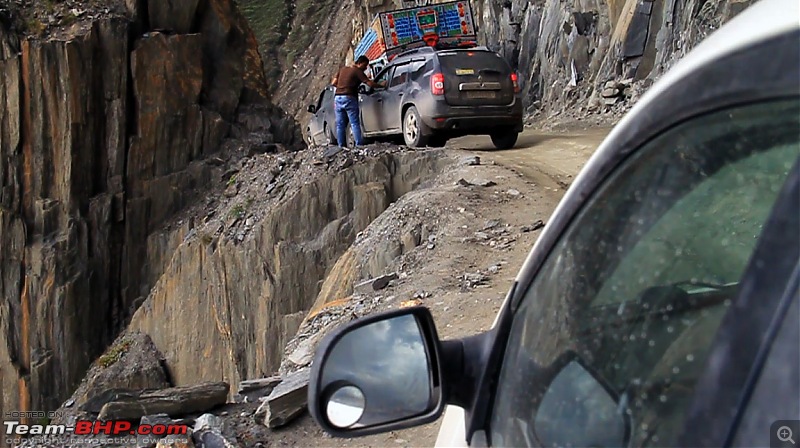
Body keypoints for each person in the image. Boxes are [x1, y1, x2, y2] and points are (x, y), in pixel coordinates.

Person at [331, 56, 384, 147]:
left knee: (340, 124)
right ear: (359, 63)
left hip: (338, 98)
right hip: (349, 98)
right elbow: (370, 83)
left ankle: (341, 146)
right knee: (354, 122)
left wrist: (342, 87)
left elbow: (333, 83)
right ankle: (359, 145)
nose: (366, 68)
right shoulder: (358, 71)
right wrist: (381, 85)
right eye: (365, 65)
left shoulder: (343, 69)